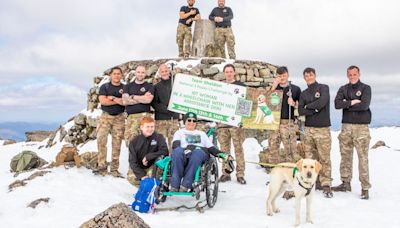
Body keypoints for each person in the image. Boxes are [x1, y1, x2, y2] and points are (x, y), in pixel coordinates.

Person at [332, 65, 372, 200]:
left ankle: (365, 188)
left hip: (361, 127)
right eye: (350, 74)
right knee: (345, 156)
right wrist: (352, 102)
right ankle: (345, 183)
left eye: (354, 74)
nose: (352, 76)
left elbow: (364, 105)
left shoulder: (366, 88)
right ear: (347, 75)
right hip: (346, 126)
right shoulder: (343, 89)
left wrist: (346, 104)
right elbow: (337, 104)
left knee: (362, 158)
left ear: (359, 74)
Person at [170, 112, 228, 192]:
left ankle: (186, 185)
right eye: (189, 120)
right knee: (177, 152)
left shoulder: (201, 134)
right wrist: (186, 149)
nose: (191, 122)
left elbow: (210, 147)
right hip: (183, 154)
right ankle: (174, 185)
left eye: (194, 121)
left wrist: (220, 154)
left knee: (197, 153)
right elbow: (175, 146)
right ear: (184, 121)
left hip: (198, 154)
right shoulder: (179, 132)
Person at [298, 67, 333, 198]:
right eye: (306, 76)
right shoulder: (303, 93)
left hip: (322, 128)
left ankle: (326, 184)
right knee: (310, 159)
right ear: (304, 78)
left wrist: (308, 106)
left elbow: (322, 102)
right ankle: (313, 182)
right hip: (308, 129)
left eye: (311, 75)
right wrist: (314, 108)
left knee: (324, 158)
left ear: (315, 75)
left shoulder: (324, 88)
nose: (309, 77)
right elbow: (301, 110)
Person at [218, 64, 246, 184]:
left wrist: (242, 120)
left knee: (238, 149)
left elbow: (245, 104)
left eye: (231, 71)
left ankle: (240, 174)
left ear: (234, 73)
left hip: (236, 123)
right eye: (227, 72)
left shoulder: (241, 86)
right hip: (223, 123)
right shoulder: (221, 86)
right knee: (224, 150)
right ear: (224, 73)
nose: (229, 73)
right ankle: (226, 173)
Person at [268, 66, 301, 164]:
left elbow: (301, 107)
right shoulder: (273, 88)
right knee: (273, 148)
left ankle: (290, 174)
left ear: (288, 75)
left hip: (288, 122)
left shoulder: (295, 89)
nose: (282, 78)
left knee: (290, 150)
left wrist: (294, 104)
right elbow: (266, 102)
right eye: (279, 76)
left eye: (284, 75)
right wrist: (274, 86)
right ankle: (273, 174)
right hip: (274, 122)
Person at [96, 67, 125, 176]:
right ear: (111, 75)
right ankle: (101, 167)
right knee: (101, 141)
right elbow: (103, 101)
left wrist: (112, 98)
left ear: (121, 75)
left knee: (117, 144)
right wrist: (118, 100)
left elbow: (124, 102)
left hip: (119, 118)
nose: (117, 75)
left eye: (119, 74)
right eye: (114, 74)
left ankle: (114, 169)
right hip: (105, 117)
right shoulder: (105, 87)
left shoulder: (125, 87)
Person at [127, 116, 169, 186]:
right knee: (131, 177)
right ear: (141, 127)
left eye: (152, 127)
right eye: (147, 127)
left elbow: (165, 152)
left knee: (152, 177)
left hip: (153, 166)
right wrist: (142, 175)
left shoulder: (159, 137)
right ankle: (143, 188)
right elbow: (132, 161)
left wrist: (148, 156)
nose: (150, 129)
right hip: (140, 167)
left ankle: (155, 189)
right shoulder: (134, 141)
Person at [122, 65, 154, 147]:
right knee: (131, 143)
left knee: (147, 143)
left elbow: (148, 100)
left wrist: (133, 96)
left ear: (145, 73)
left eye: (143, 72)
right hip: (131, 118)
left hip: (146, 118)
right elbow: (125, 101)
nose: (140, 74)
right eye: (138, 72)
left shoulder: (149, 86)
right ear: (135, 73)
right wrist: (142, 98)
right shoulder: (127, 86)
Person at [151, 64, 180, 150]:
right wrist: (165, 109)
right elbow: (154, 103)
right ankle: (161, 162)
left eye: (166, 71)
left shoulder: (176, 84)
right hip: (161, 120)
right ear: (159, 73)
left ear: (169, 71)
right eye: (162, 72)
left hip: (173, 119)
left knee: (174, 144)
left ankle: (173, 162)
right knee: (160, 145)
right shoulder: (156, 87)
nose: (164, 73)